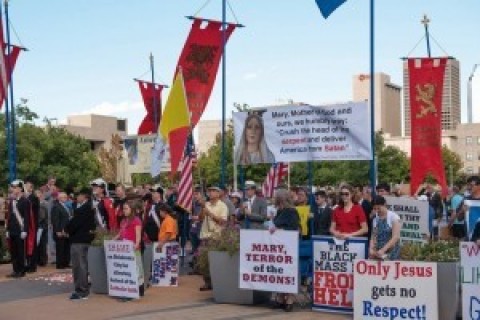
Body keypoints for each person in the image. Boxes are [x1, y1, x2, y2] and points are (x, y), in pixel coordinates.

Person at [268, 189, 300, 312]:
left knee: (288, 271)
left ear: (281, 198)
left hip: (289, 246)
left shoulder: (291, 211)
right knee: (280, 272)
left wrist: (280, 230)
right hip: (279, 247)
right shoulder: (280, 211)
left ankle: (290, 299)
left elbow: (294, 228)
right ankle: (281, 297)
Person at [65, 187, 95, 300]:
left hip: (79, 240)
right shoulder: (86, 207)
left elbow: (74, 223)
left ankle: (81, 290)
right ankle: (82, 288)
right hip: (83, 239)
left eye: (79, 195)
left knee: (79, 266)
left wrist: (66, 229)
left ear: (84, 196)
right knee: (81, 265)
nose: (77, 197)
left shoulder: (84, 208)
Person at [198, 185, 228, 291]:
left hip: (216, 236)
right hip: (205, 235)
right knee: (203, 261)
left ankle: (216, 282)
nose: (210, 193)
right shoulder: (206, 204)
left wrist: (209, 213)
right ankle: (207, 282)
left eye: (213, 191)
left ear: (219, 194)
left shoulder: (222, 206)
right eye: (209, 191)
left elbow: (222, 221)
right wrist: (203, 209)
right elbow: (200, 218)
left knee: (214, 261)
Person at [114, 200, 144, 300]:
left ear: (132, 209)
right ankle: (128, 290)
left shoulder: (136, 220)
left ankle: (137, 290)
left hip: (133, 249)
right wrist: (112, 240)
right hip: (124, 249)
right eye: (124, 208)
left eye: (126, 208)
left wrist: (136, 244)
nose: (124, 210)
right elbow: (120, 233)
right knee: (126, 271)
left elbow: (138, 235)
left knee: (135, 270)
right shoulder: (123, 221)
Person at [6, 180, 31, 278]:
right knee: (14, 251)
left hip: (20, 230)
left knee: (20, 252)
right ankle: (15, 270)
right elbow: (10, 217)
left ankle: (21, 270)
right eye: (13, 187)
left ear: (20, 188)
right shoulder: (12, 201)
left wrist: (25, 230)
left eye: (15, 187)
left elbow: (27, 217)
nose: (13, 189)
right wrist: (8, 229)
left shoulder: (25, 201)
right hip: (12, 229)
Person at [369, 196, 402, 260]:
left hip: (392, 252)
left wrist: (383, 250)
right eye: (374, 209)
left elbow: (395, 237)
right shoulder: (375, 219)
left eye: (378, 208)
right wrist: (371, 249)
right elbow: (373, 236)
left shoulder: (394, 217)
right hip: (378, 253)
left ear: (384, 205)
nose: (377, 211)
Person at [51, 192, 72, 269]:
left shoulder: (66, 206)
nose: (65, 198)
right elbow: (55, 220)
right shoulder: (56, 207)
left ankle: (66, 262)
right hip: (60, 230)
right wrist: (57, 231)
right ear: (59, 198)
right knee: (60, 248)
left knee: (66, 247)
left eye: (66, 197)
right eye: (63, 197)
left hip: (66, 230)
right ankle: (60, 264)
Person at [24, 177, 40, 273]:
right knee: (26, 246)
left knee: (32, 246)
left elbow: (31, 207)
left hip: (32, 225)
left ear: (31, 188)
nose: (26, 187)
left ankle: (32, 265)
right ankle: (27, 263)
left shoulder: (33, 198)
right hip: (26, 225)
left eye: (28, 186)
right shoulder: (25, 197)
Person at [35, 189, 49, 266]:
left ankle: (42, 260)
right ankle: (40, 260)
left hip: (41, 226)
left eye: (38, 195)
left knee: (42, 244)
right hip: (41, 226)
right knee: (39, 244)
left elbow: (42, 216)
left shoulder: (43, 204)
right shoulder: (40, 203)